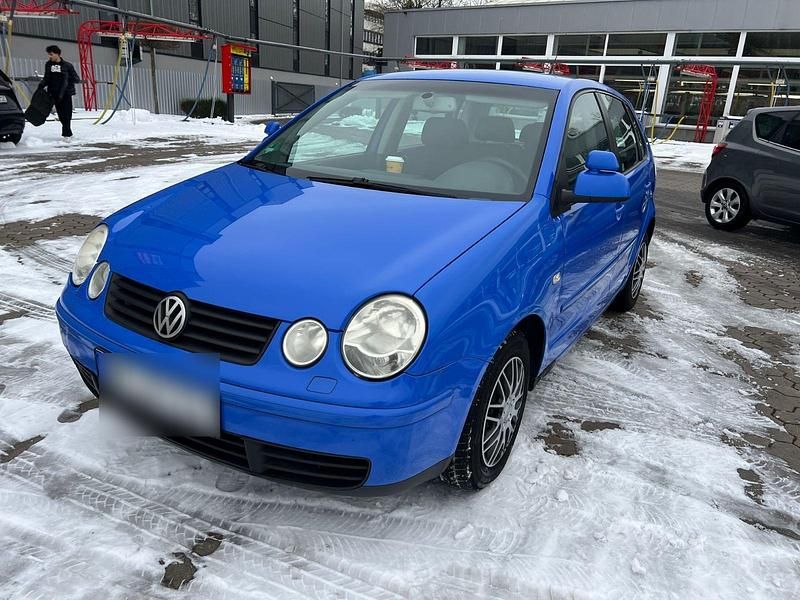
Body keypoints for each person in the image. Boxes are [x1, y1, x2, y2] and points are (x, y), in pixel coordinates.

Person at [40, 45, 80, 138]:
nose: (49, 56)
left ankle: (67, 134)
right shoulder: (48, 65)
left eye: (51, 54)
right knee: (61, 114)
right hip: (54, 93)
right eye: (49, 55)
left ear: (57, 54)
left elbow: (76, 79)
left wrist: (65, 77)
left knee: (67, 114)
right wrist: (41, 85)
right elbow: (47, 78)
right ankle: (68, 133)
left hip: (66, 93)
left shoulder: (67, 65)